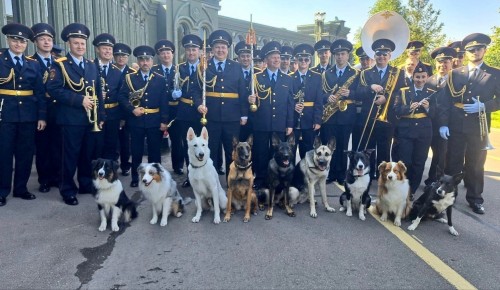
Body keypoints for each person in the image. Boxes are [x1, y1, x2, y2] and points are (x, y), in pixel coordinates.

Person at [438, 33, 500, 214]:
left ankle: (475, 199)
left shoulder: (495, 74)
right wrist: (443, 124)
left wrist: (484, 106)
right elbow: (445, 102)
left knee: (475, 165)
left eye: (478, 49)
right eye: (471, 50)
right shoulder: (455, 73)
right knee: (452, 163)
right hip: (456, 125)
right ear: (466, 52)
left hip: (478, 128)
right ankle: (448, 197)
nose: (475, 52)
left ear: (485, 50)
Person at [46, 23, 104, 205]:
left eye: (82, 43)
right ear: (69, 44)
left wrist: (101, 116)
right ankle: (68, 189)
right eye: (76, 43)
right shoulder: (60, 64)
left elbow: (98, 91)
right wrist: (80, 100)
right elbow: (53, 88)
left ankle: (86, 183)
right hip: (70, 119)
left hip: (89, 119)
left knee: (87, 155)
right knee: (69, 155)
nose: (80, 46)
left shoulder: (91, 65)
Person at [0, 23, 46, 207]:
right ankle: (3, 190)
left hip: (28, 115)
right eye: (14, 40)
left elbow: (40, 92)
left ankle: (21, 188)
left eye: (22, 42)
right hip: (5, 115)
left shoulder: (32, 64)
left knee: (25, 154)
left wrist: (42, 116)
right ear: (8, 40)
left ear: (26, 44)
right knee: (4, 154)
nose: (18, 44)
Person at [195, 30, 248, 182]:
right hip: (211, 117)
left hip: (232, 117)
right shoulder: (204, 66)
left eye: (223, 47)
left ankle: (231, 184)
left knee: (232, 151)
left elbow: (242, 92)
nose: (220, 50)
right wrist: (199, 104)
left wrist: (244, 114)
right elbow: (196, 90)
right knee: (211, 150)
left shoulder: (236, 67)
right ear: (212, 49)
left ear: (228, 49)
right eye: (217, 47)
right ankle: (211, 184)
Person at [118, 45, 169, 188]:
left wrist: (164, 121)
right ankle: (136, 178)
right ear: (138, 61)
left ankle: (155, 177)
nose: (144, 62)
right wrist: (132, 109)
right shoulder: (130, 78)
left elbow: (164, 101)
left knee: (154, 152)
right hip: (136, 121)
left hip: (154, 120)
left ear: (152, 61)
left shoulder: (159, 79)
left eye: (147, 59)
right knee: (136, 151)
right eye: (141, 59)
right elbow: (121, 97)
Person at [248, 41, 295, 189]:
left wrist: (289, 124)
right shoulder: (256, 77)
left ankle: (277, 179)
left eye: (278, 56)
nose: (276, 59)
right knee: (260, 152)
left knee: (279, 154)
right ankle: (260, 178)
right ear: (266, 60)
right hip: (261, 122)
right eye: (273, 57)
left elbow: (290, 104)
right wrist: (250, 100)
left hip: (279, 123)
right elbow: (250, 101)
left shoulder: (288, 79)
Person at [356, 39, 406, 179]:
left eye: (385, 54)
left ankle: (383, 175)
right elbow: (358, 92)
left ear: (390, 55)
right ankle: (369, 174)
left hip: (387, 117)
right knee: (369, 149)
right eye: (378, 54)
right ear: (374, 56)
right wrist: (370, 88)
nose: (381, 57)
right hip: (369, 116)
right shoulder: (365, 73)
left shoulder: (398, 73)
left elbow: (401, 93)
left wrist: (387, 99)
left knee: (384, 149)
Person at [394, 63, 434, 200]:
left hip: (424, 132)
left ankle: (411, 190)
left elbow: (439, 113)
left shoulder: (431, 92)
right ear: (413, 77)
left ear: (427, 77)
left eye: (423, 77)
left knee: (419, 162)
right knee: (405, 161)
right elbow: (396, 110)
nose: (420, 80)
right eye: (417, 77)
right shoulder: (403, 91)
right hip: (406, 131)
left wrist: (428, 108)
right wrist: (408, 108)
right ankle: (401, 186)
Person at [321, 39, 359, 184]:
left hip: (346, 115)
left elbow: (362, 93)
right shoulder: (327, 73)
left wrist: (351, 93)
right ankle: (330, 173)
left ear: (348, 55)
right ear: (333, 56)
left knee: (343, 146)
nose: (340, 57)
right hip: (330, 116)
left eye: (343, 54)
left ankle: (342, 174)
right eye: (337, 54)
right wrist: (327, 97)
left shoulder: (355, 73)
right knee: (330, 146)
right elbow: (321, 92)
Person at [30, 22, 61, 193]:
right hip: (39, 110)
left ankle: (57, 177)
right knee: (42, 147)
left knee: (58, 145)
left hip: (58, 110)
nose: (46, 42)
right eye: (42, 39)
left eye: (49, 39)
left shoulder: (60, 62)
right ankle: (44, 180)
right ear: (36, 42)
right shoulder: (30, 62)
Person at [424, 46, 456, 186]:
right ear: (435, 63)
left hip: (446, 125)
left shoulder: (456, 80)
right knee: (423, 153)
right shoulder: (428, 80)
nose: (442, 65)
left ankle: (433, 180)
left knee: (440, 156)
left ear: (451, 63)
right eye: (440, 62)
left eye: (446, 62)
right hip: (429, 123)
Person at [174, 34, 203, 188]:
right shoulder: (180, 68)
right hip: (184, 111)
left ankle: (202, 175)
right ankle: (190, 175)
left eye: (194, 49)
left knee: (202, 145)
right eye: (188, 50)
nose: (191, 53)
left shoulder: (205, 67)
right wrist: (175, 92)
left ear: (199, 51)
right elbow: (175, 86)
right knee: (188, 145)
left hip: (201, 113)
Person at [152, 39, 183, 175]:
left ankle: (178, 166)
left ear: (172, 54)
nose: (166, 55)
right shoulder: (153, 70)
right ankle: (157, 168)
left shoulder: (180, 69)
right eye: (162, 53)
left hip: (175, 109)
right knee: (156, 141)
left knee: (177, 141)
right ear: (159, 55)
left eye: (168, 52)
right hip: (158, 111)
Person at [93, 33, 123, 164]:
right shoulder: (90, 66)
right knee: (96, 145)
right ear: (97, 49)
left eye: (110, 49)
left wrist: (122, 117)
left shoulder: (117, 71)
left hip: (113, 113)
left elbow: (122, 94)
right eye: (104, 48)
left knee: (112, 144)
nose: (107, 51)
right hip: (94, 113)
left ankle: (110, 175)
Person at [290, 43, 322, 159]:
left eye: (306, 59)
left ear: (310, 61)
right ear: (296, 61)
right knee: (291, 151)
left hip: (309, 120)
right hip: (293, 120)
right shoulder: (290, 77)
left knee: (308, 151)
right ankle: (292, 176)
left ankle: (307, 176)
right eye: (300, 59)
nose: (303, 61)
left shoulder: (317, 77)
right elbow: (287, 99)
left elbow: (319, 101)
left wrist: (317, 120)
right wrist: (294, 105)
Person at [113, 43, 136, 176]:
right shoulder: (108, 70)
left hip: (127, 112)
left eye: (124, 56)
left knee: (125, 141)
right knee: (113, 141)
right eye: (118, 56)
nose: (121, 58)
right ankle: (113, 165)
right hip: (112, 111)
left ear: (127, 58)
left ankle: (126, 164)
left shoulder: (132, 73)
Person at [351, 46, 372, 151]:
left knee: (369, 145)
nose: (365, 61)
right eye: (362, 59)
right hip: (356, 112)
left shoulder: (374, 74)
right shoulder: (356, 74)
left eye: (367, 58)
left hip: (370, 113)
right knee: (356, 143)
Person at [234, 40, 254, 141]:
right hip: (237, 114)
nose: (245, 59)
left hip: (254, 115)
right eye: (243, 56)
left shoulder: (258, 73)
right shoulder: (232, 72)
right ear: (238, 58)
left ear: (251, 57)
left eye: (248, 56)